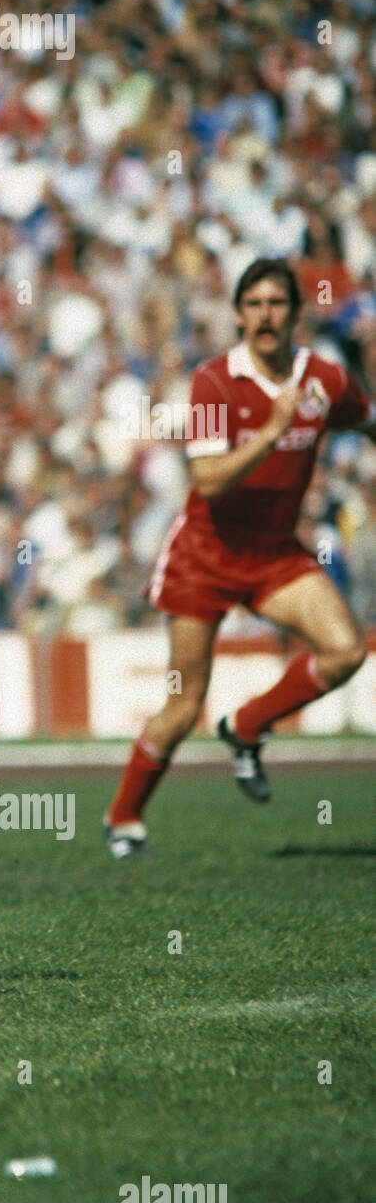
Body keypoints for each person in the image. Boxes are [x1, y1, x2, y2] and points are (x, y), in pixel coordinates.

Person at [104, 259, 376, 858]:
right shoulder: (212, 382)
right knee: (183, 704)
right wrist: (272, 432)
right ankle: (124, 817)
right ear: (236, 314)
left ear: (297, 315)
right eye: (253, 304)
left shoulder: (326, 379)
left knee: (347, 649)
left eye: (277, 303)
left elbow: (365, 418)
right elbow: (207, 479)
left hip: (275, 553)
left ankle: (248, 726)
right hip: (204, 555)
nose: (265, 315)